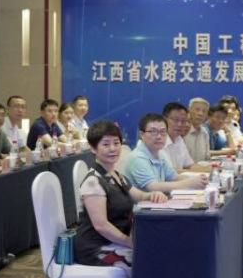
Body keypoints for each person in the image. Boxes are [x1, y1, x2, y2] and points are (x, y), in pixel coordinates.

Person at [75, 120, 168, 267]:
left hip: (115, 241)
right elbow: (101, 226)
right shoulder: (92, 182)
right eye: (106, 144)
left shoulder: (118, 176)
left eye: (116, 143)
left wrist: (153, 195)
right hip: (95, 248)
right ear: (93, 148)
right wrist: (130, 242)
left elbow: (140, 196)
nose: (113, 148)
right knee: (149, 257)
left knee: (160, 248)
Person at [124, 113, 206, 193]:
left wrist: (198, 180)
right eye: (153, 132)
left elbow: (174, 177)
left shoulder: (159, 153)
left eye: (162, 131)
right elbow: (153, 187)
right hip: (142, 202)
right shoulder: (137, 157)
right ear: (142, 134)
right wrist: (189, 183)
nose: (159, 136)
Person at [160, 102, 196, 171]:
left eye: (183, 121)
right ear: (164, 120)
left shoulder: (179, 139)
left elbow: (190, 165)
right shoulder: (159, 141)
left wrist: (214, 169)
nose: (180, 124)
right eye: (176, 120)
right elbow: (170, 172)